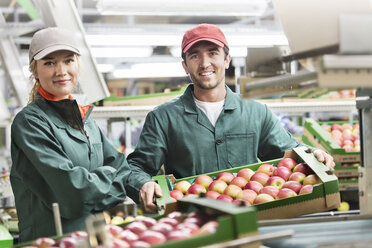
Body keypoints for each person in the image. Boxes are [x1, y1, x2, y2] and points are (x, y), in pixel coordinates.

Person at [129, 23, 335, 213]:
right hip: (194, 221)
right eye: (194, 56)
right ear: (185, 66)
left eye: (212, 53)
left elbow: (290, 151)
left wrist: (314, 154)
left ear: (227, 60)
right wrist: (142, 183)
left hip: (250, 217)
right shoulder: (163, 118)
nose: (204, 63)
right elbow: (136, 167)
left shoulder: (256, 112)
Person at [9, 27, 148, 242]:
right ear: (35, 71)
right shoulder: (30, 122)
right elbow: (74, 192)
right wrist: (111, 179)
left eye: (68, 60)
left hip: (93, 237)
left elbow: (122, 167)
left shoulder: (85, 120)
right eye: (49, 62)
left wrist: (131, 182)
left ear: (77, 65)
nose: (61, 70)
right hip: (53, 240)